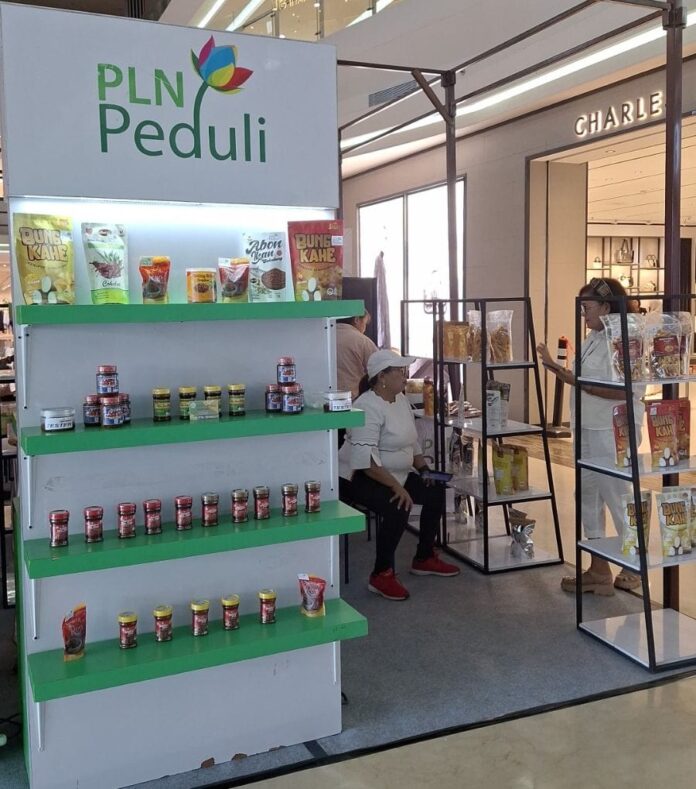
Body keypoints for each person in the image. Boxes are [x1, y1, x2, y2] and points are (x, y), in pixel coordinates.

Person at [537, 277, 643, 596]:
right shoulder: (594, 337)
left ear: (606, 307)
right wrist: (556, 368)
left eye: (588, 307)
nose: (584, 314)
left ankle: (633, 565)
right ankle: (599, 569)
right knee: (587, 497)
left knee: (618, 496)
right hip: (587, 427)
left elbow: (626, 391)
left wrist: (577, 382)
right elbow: (582, 379)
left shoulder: (627, 338)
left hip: (612, 431)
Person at [338, 349, 460, 601]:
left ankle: (424, 557)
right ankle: (381, 574)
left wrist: (424, 470)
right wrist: (397, 487)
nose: (405, 376)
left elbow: (411, 442)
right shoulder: (365, 407)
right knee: (398, 505)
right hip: (359, 477)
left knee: (435, 492)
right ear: (382, 377)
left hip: (397, 473)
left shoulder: (400, 400)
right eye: (399, 371)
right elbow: (366, 462)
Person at [336, 310, 378, 399]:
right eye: (365, 323)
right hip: (352, 399)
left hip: (322, 400)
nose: (364, 329)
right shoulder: (362, 341)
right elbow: (379, 369)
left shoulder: (323, 336)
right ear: (356, 320)